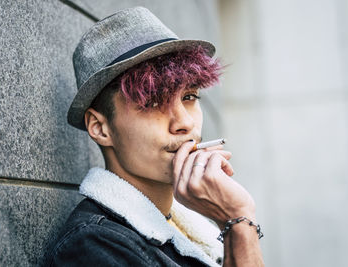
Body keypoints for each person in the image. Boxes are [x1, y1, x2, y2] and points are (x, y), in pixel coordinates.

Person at [46, 6, 264, 267]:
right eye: (151, 101)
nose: (184, 122)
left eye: (189, 97)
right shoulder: (93, 245)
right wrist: (238, 222)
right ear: (100, 127)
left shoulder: (190, 230)